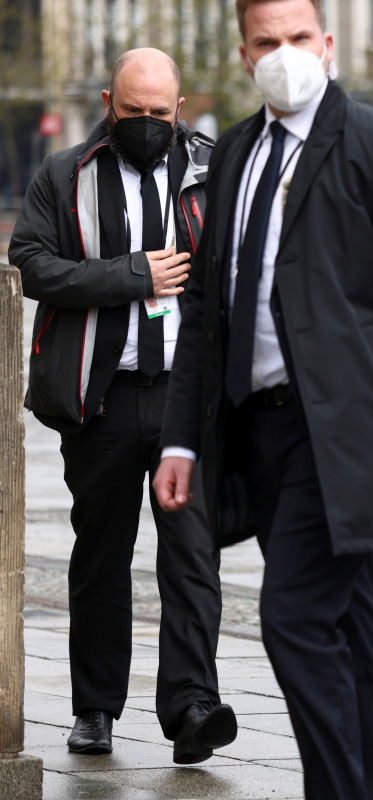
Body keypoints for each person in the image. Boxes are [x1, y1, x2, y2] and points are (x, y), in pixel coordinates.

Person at [151, 0, 373, 796]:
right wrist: (179, 439)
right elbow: (207, 309)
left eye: (299, 39)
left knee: (295, 618)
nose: (284, 55)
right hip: (260, 432)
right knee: (354, 631)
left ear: (327, 45)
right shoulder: (232, 153)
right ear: (243, 55)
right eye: (268, 42)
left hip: (352, 436)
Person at [10, 48, 235, 764]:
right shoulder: (64, 173)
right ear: (110, 101)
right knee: (101, 557)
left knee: (193, 557)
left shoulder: (210, 170)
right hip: (100, 399)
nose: (146, 125)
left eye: (159, 114)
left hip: (186, 400)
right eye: (132, 112)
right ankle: (96, 710)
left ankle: (192, 706)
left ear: (181, 106)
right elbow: (31, 261)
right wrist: (131, 275)